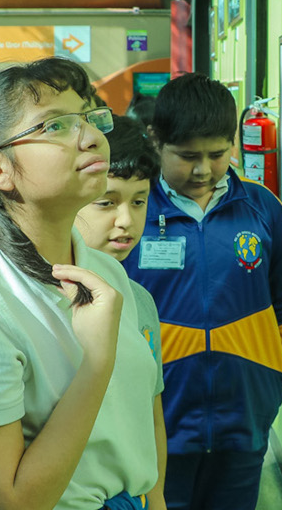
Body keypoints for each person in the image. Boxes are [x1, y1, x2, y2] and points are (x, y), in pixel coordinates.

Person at [0, 57, 166, 510]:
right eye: (54, 126)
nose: (93, 137)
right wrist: (96, 361)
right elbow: (13, 503)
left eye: (89, 118)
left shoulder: (106, 272)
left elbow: (140, 421)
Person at [123, 73, 282, 510]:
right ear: (156, 142)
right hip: (156, 419)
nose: (203, 169)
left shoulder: (262, 209)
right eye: (187, 156)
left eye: (217, 153)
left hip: (243, 416)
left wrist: (275, 365)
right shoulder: (133, 212)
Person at [73, 114, 165, 419]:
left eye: (139, 202)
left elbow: (151, 413)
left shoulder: (140, 300)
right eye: (107, 202)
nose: (126, 221)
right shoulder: (45, 300)